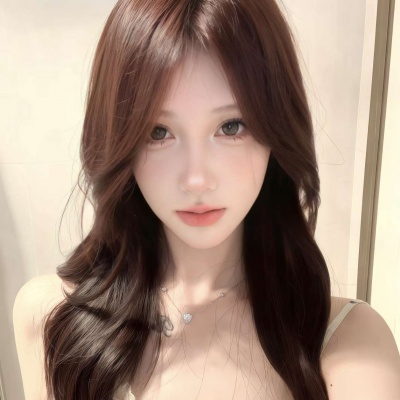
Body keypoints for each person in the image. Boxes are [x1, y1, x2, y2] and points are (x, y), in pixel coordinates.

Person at [13, 0, 400, 399]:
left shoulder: (347, 343)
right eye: (158, 132)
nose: (196, 180)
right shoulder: (50, 318)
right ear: (119, 142)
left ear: (277, 130)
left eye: (231, 126)